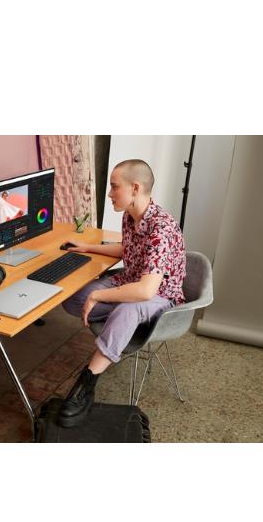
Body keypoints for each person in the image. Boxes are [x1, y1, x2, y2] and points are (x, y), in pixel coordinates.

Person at [58, 159, 186, 428]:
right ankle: (121, 322)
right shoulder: (130, 216)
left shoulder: (161, 229)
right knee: (73, 298)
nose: (110, 193)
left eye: (114, 186)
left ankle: (87, 383)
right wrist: (88, 248)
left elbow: (146, 290)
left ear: (135, 188)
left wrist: (98, 297)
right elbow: (126, 248)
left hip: (160, 296)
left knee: (128, 308)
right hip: (130, 282)